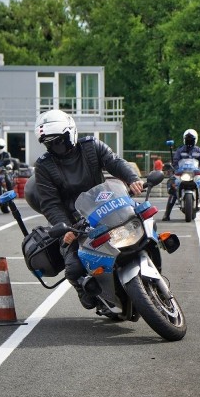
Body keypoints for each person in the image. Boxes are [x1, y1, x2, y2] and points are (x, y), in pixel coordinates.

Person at [32, 109, 144, 310]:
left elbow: (115, 162)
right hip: (74, 223)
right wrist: (64, 228)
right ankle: (84, 289)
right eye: (50, 143)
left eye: (59, 140)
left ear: (71, 132)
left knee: (141, 226)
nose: (56, 146)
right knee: (74, 268)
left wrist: (132, 178)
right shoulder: (44, 166)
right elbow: (50, 203)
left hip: (108, 206)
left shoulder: (92, 146)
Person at [162, 128, 200, 221]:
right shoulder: (180, 150)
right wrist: (174, 168)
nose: (189, 141)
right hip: (182, 173)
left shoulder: (199, 151)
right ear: (184, 139)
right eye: (187, 139)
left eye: (191, 139)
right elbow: (175, 162)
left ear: (195, 140)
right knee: (173, 189)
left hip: (196, 174)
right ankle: (166, 214)